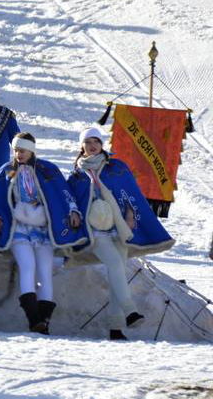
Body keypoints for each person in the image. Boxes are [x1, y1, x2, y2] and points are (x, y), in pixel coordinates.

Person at [66, 127, 174, 340]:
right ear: (82, 146)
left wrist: (131, 214)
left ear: (102, 144)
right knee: (115, 265)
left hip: (119, 228)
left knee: (118, 274)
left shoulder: (116, 168)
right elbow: (71, 200)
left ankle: (116, 329)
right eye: (88, 142)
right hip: (95, 231)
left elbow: (130, 193)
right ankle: (130, 310)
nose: (93, 146)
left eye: (96, 141)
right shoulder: (77, 175)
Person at [0, 132, 86, 335]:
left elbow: (64, 192)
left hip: (43, 228)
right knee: (27, 267)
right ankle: (34, 320)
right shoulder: (6, 171)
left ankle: (44, 323)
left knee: (44, 272)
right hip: (19, 228)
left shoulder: (47, 169)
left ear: (31, 150)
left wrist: (73, 210)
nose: (18, 154)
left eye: (22, 150)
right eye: (15, 150)